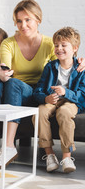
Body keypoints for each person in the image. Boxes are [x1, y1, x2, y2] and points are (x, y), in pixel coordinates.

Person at [0, 0, 85, 169]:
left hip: (36, 93)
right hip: (13, 90)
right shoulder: (8, 43)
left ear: (38, 20)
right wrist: (3, 74)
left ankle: (9, 146)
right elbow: (5, 68)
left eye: (28, 20)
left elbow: (63, 65)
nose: (23, 25)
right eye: (19, 21)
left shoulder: (50, 44)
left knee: (13, 84)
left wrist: (80, 61)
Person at [32, 27, 85, 173]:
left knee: (64, 112)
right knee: (40, 112)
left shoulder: (81, 68)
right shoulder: (50, 67)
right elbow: (38, 91)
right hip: (52, 100)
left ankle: (67, 157)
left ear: (75, 48)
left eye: (64, 45)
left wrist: (66, 92)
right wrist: (46, 98)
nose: (59, 48)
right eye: (56, 45)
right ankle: (50, 155)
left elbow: (82, 95)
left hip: (71, 101)